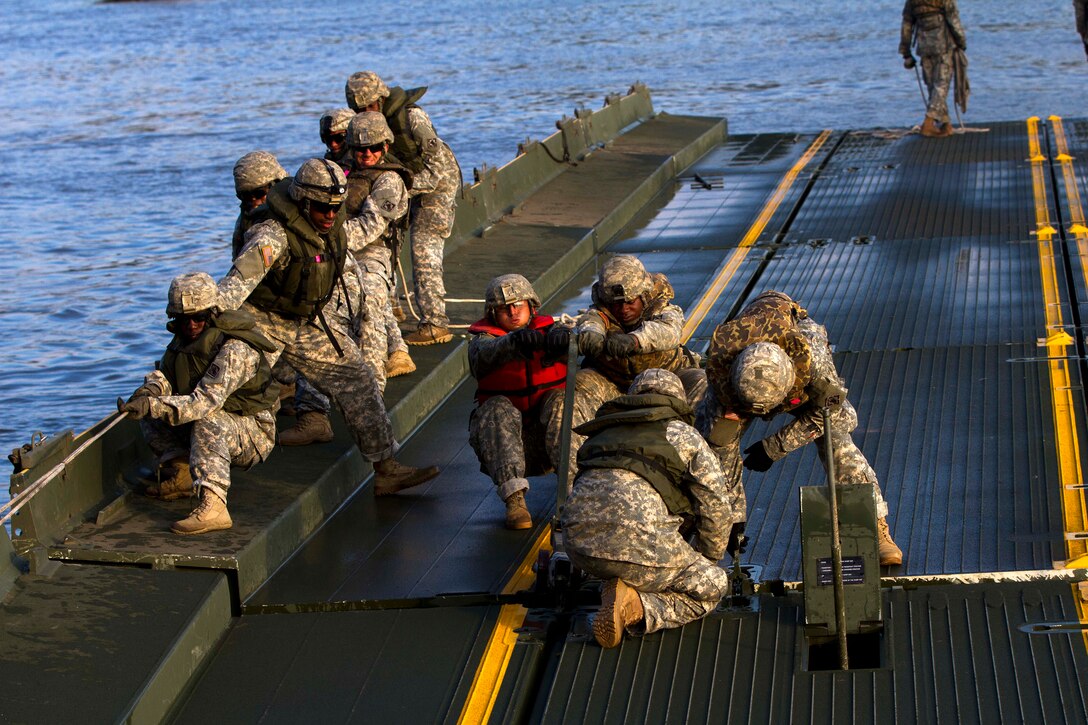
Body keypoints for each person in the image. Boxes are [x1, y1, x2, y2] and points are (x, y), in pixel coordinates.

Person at [217, 157, 439, 495]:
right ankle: (185, 467)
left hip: (302, 321)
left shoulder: (326, 225)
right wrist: (209, 328)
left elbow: (345, 271)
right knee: (219, 383)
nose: (331, 214)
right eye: (323, 208)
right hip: (259, 320)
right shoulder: (270, 235)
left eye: (335, 207)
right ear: (304, 201)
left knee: (358, 377)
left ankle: (386, 467)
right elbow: (234, 289)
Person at [698, 290, 903, 566]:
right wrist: (732, 516)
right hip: (744, 384)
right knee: (710, 451)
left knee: (837, 441)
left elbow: (844, 416)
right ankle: (707, 533)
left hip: (796, 372)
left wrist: (774, 447)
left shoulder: (810, 359)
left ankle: (876, 527)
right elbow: (721, 451)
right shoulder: (723, 377)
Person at [561, 368, 747, 649]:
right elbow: (715, 504)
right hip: (641, 547)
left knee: (631, 558)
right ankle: (636, 605)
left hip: (578, 548)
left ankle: (617, 582)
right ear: (677, 400)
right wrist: (709, 557)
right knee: (712, 586)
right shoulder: (682, 434)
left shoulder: (599, 433)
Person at [118, 273, 280, 535]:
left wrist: (155, 406)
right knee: (149, 405)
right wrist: (149, 391)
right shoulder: (183, 343)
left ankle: (215, 505)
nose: (191, 325)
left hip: (254, 431)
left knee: (206, 419)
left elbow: (204, 403)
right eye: (183, 319)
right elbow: (167, 376)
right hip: (220, 421)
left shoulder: (235, 349)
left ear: (212, 314)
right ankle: (182, 471)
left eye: (198, 318)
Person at [345, 71, 461, 346]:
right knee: (388, 240)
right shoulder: (369, 126)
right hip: (400, 183)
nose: (364, 113)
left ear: (381, 99)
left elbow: (438, 168)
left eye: (368, 108)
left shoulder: (412, 118)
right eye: (358, 110)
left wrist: (401, 187)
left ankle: (435, 323)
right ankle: (392, 308)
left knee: (424, 247)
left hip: (435, 186)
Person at [566, 255, 705, 475]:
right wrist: (590, 336)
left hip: (667, 382)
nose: (623, 309)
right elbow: (590, 322)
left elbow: (669, 331)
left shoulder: (662, 309)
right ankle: (581, 473)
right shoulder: (601, 315)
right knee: (578, 384)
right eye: (617, 303)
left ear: (643, 295)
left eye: (630, 302)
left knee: (701, 382)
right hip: (617, 388)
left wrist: (634, 340)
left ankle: (696, 465)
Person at [467, 274, 571, 529]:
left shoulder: (553, 330)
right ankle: (515, 501)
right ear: (493, 313)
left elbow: (583, 340)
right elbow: (483, 356)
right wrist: (512, 343)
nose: (513, 312)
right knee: (494, 408)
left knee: (561, 400)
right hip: (510, 446)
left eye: (519, 305)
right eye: (504, 308)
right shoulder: (482, 342)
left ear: (531, 306)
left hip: (551, 440)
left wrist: (566, 342)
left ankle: (575, 492)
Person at [343, 111, 416, 383]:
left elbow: (369, 227)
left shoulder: (389, 180)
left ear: (385, 146)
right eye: (361, 149)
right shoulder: (342, 171)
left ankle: (373, 380)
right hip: (339, 247)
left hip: (372, 251)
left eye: (374, 148)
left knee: (370, 298)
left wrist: (330, 238)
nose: (367, 154)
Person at [899, 0, 967, 137]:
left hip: (924, 47)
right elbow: (953, 20)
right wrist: (961, 42)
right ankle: (928, 123)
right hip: (944, 45)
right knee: (941, 85)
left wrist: (906, 52)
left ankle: (945, 124)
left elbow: (906, 25)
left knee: (932, 86)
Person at [231, 151, 288, 257]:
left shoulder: (305, 209)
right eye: (246, 197)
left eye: (259, 193)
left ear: (277, 185)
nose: (255, 203)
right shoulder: (246, 220)